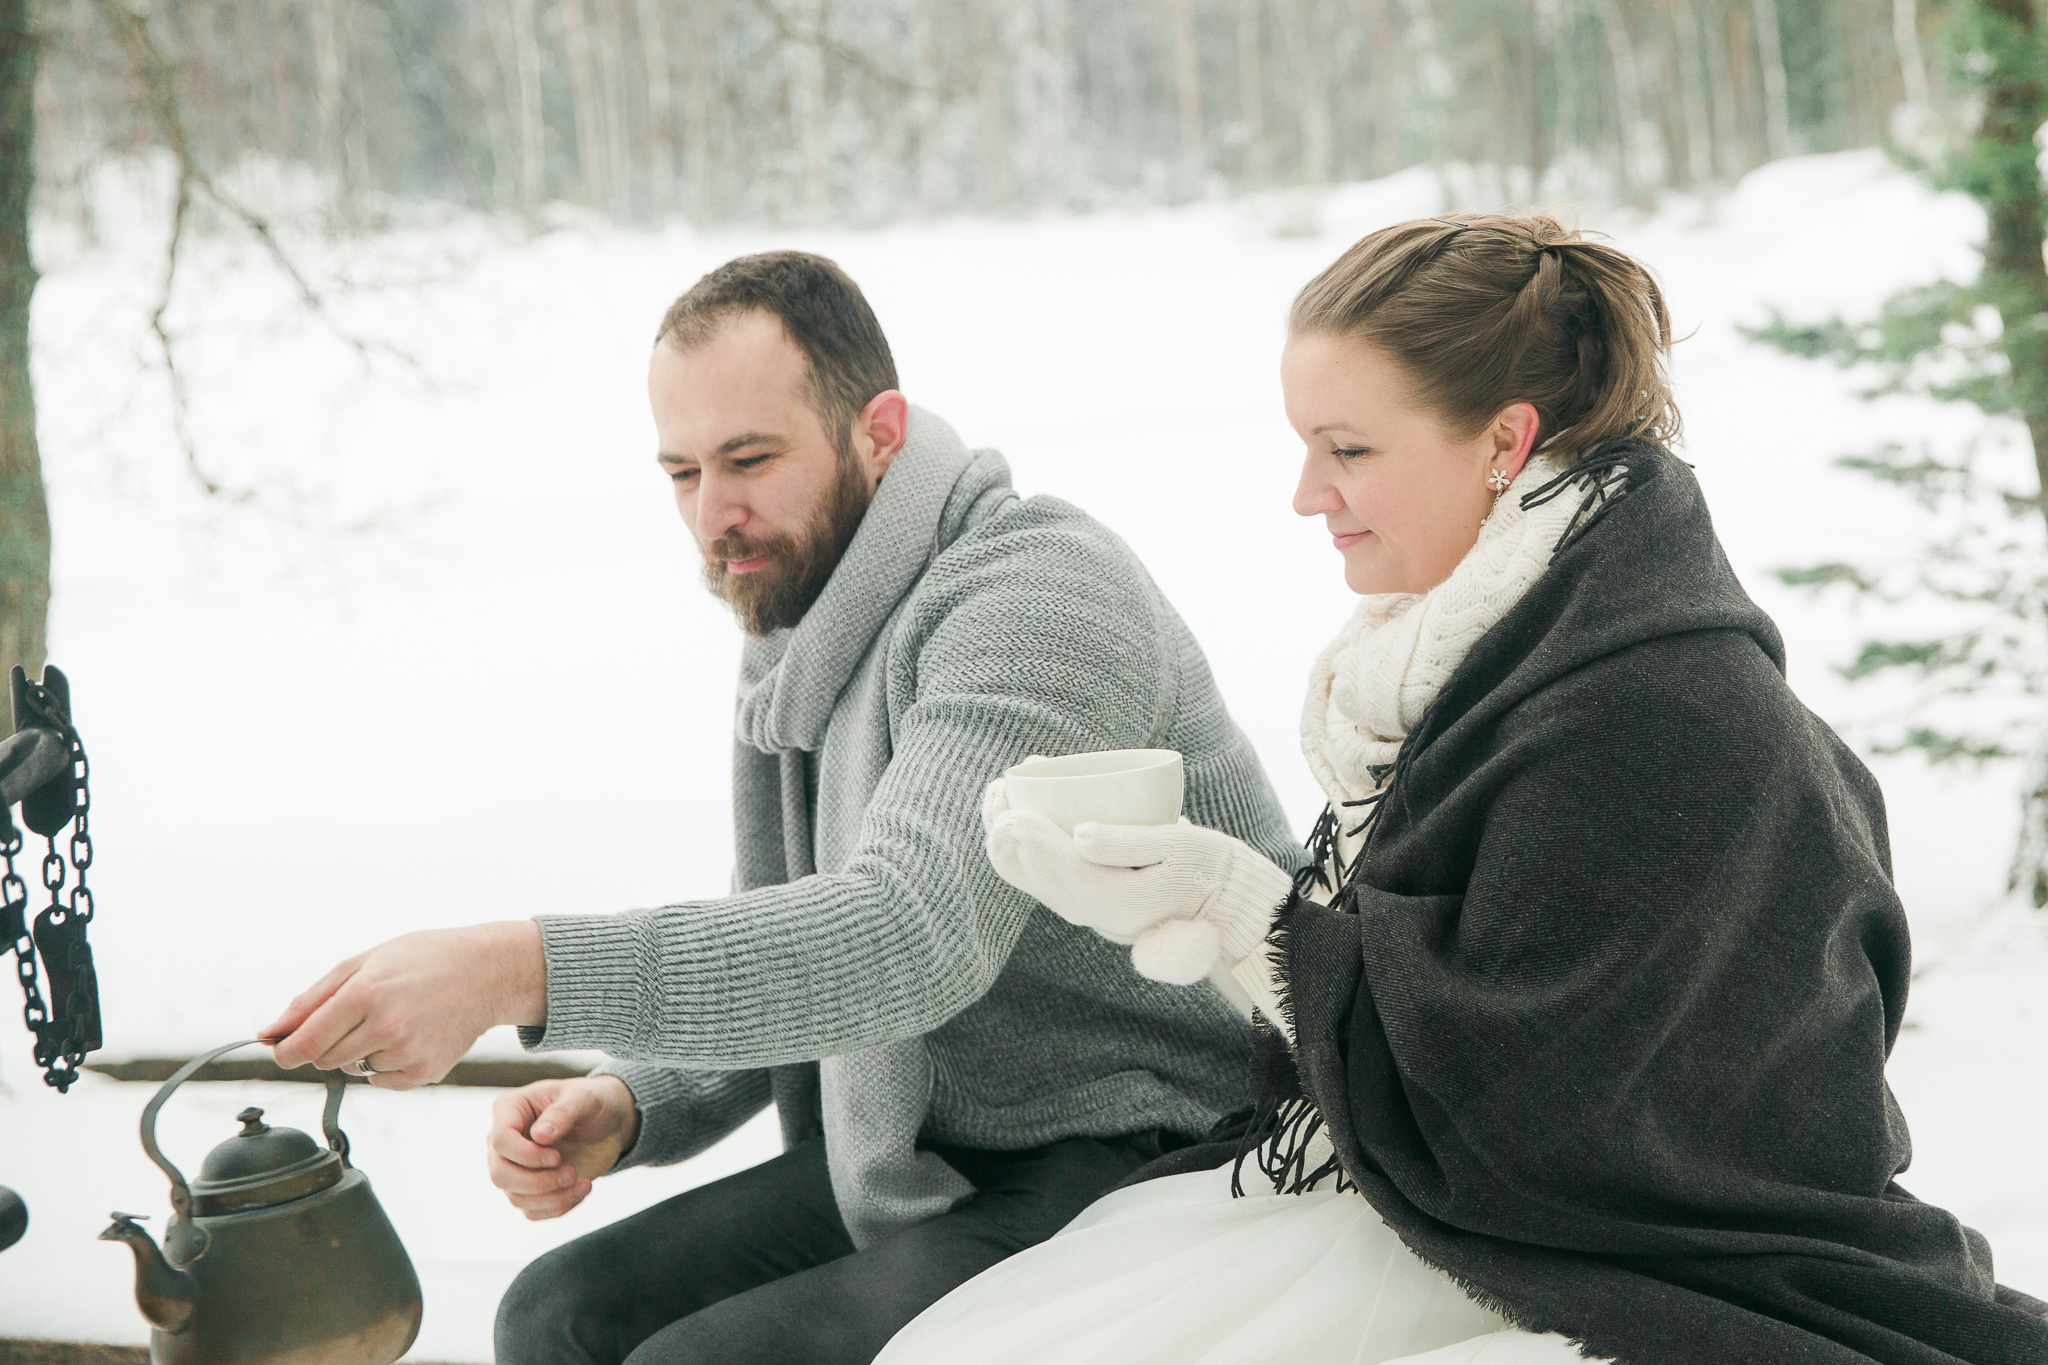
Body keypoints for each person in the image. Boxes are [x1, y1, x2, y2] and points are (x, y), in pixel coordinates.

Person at [875, 214, 2048, 1365]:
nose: (1304, 494)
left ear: (1502, 441)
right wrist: (1190, 909)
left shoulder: (1654, 711)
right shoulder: (1481, 652)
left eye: (1348, 450)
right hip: (1389, 1194)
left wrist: (1247, 915)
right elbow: (1477, 998)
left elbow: (1536, 1107)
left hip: (1595, 1252)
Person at [259, 250, 1301, 1365]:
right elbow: (788, 922)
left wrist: (515, 967)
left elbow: (904, 935)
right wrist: (633, 1101)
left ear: (879, 431)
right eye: (680, 473)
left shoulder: (1034, 594)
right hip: (919, 1145)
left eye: (749, 459)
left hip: (1150, 1143)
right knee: (555, 1317)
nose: (714, 512)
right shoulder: (804, 607)